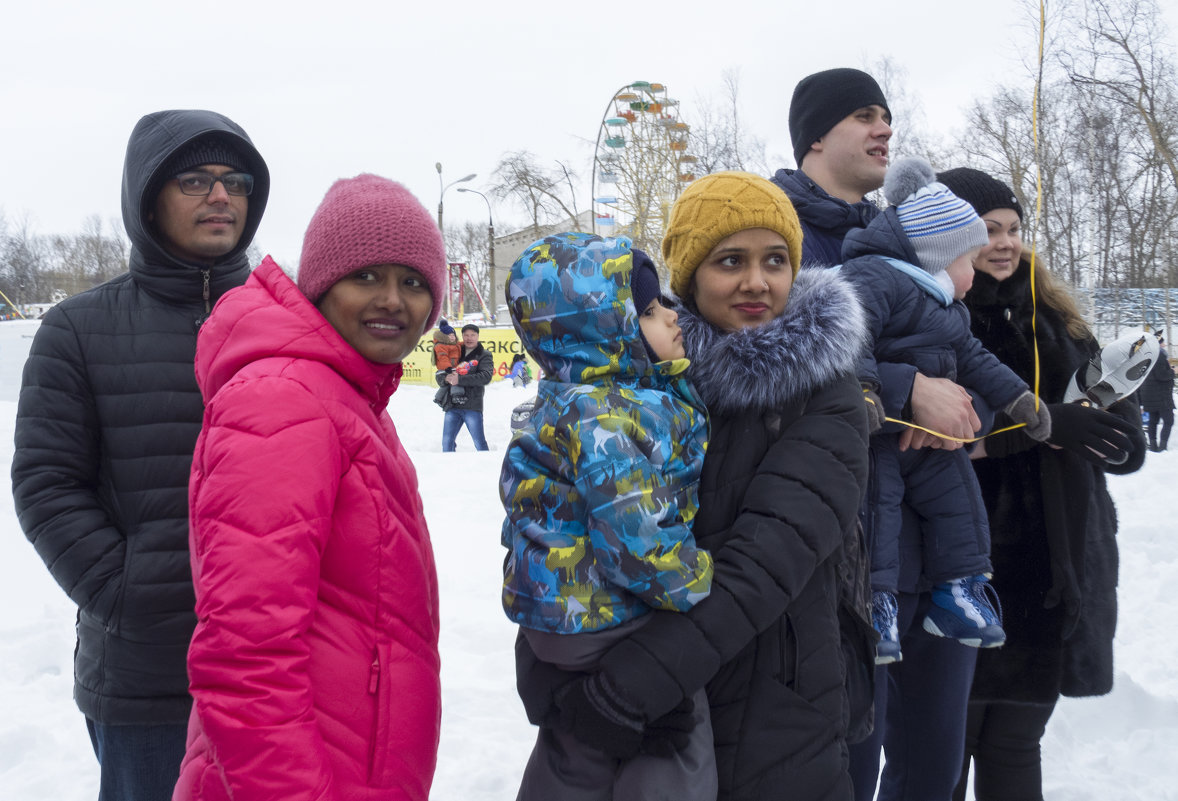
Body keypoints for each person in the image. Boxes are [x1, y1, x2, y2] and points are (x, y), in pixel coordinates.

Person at [513, 171, 871, 800]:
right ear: (690, 275)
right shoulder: (644, 384)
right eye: (731, 260)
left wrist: (631, 684)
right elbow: (561, 533)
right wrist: (550, 675)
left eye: (776, 260)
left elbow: (766, 561)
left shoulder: (825, 392)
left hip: (777, 715)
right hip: (654, 694)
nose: (757, 281)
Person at [11, 109, 269, 801]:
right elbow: (45, 482)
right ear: (147, 196)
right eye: (195, 180)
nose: (222, 195)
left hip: (278, 666)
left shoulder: (285, 320)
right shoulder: (78, 328)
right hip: (147, 677)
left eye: (236, 180)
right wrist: (127, 590)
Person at [173, 174, 444, 801]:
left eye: (413, 282)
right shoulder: (285, 401)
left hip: (352, 763)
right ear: (322, 285)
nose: (393, 301)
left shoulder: (347, 396)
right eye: (366, 276)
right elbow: (247, 655)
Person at [930, 167, 1146, 801]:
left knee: (1017, 745)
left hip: (1057, 571)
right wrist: (1044, 427)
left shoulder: (1059, 324)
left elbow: (1124, 444)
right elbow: (931, 439)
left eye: (1014, 229)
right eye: (986, 229)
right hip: (963, 570)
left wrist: (1108, 428)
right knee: (945, 748)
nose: (1004, 242)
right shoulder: (932, 322)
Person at [502, 233, 716, 799]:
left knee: (576, 756)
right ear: (601, 329)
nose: (672, 316)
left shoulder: (569, 400)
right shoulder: (611, 416)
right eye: (647, 309)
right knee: (674, 736)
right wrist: (695, 581)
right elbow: (634, 540)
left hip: (559, 618)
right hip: (608, 614)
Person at [838, 157, 1053, 665]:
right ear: (936, 257)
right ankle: (876, 601)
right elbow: (854, 339)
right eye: (968, 260)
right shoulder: (875, 280)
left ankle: (958, 590)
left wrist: (1018, 398)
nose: (974, 273)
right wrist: (871, 391)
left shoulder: (947, 309)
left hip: (931, 441)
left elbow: (976, 360)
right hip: (882, 432)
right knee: (879, 507)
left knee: (959, 500)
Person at [771, 67, 892, 268]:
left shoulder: (894, 239)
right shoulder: (765, 231)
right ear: (817, 137)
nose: (887, 131)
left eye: (885, 120)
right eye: (864, 116)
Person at [437, 322, 493, 451]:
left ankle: (487, 466)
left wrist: (459, 380)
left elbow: (486, 376)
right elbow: (439, 373)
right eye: (466, 335)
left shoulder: (484, 354)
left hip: (472, 406)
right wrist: (446, 378)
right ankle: (447, 469)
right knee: (447, 444)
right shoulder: (452, 351)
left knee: (479, 443)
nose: (469, 338)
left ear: (478, 336)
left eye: (472, 335)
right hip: (452, 405)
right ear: (462, 336)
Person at [1139, 331, 1174, 451]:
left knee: (1153, 421)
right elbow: (1161, 375)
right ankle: (1162, 447)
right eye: (1162, 343)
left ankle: (1153, 446)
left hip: (1148, 395)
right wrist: (1173, 372)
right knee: (1169, 420)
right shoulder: (1159, 356)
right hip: (1161, 395)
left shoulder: (1147, 355)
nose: (1164, 345)